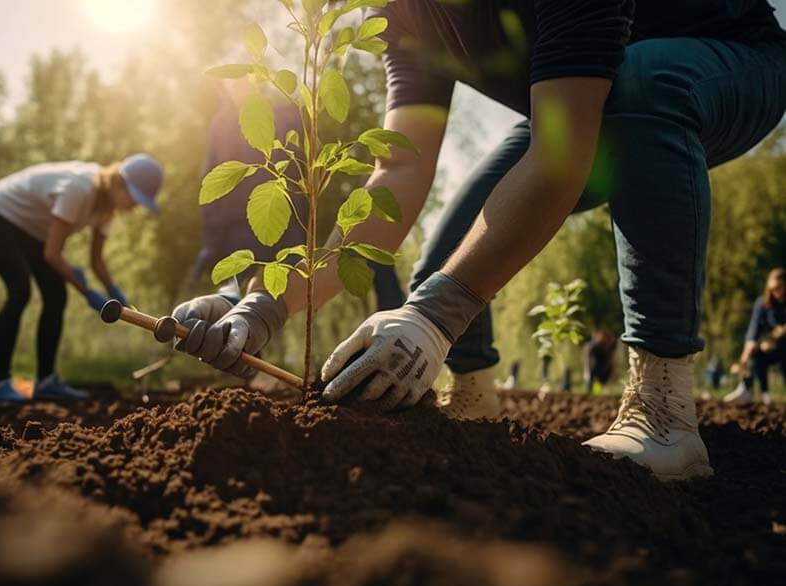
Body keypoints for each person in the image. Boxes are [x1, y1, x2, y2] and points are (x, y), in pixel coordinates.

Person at [171, 1, 786, 480]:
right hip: (584, 103)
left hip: (729, 63)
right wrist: (266, 302)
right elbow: (399, 171)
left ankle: (665, 409)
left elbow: (563, 155)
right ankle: (470, 401)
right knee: (449, 255)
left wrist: (437, 316)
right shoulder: (404, 15)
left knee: (646, 84)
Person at [188, 83, 405, 311]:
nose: (237, 89)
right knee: (237, 299)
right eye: (231, 85)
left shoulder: (282, 114)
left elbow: (306, 162)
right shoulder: (225, 123)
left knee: (281, 299)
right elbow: (212, 179)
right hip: (241, 229)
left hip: (285, 224)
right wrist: (212, 239)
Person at [0, 154, 163, 401]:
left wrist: (113, 290)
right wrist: (87, 292)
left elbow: (96, 260)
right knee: (20, 290)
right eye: (135, 199)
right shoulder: (80, 188)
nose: (135, 207)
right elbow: (52, 253)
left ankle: (46, 381)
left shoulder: (107, 210)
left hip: (30, 230)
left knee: (55, 294)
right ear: (118, 182)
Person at [724, 267, 786, 405]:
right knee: (756, 354)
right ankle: (751, 391)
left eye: (780, 287)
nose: (776, 292)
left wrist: (776, 337)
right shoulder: (762, 304)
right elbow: (753, 332)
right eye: (773, 289)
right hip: (772, 348)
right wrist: (744, 359)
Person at [583, 330, 618, 394]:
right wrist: (587, 370)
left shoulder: (612, 346)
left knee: (600, 382)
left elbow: (612, 359)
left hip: (604, 366)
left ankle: (597, 392)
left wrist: (613, 372)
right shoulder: (594, 346)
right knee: (592, 380)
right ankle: (591, 392)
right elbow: (587, 358)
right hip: (594, 365)